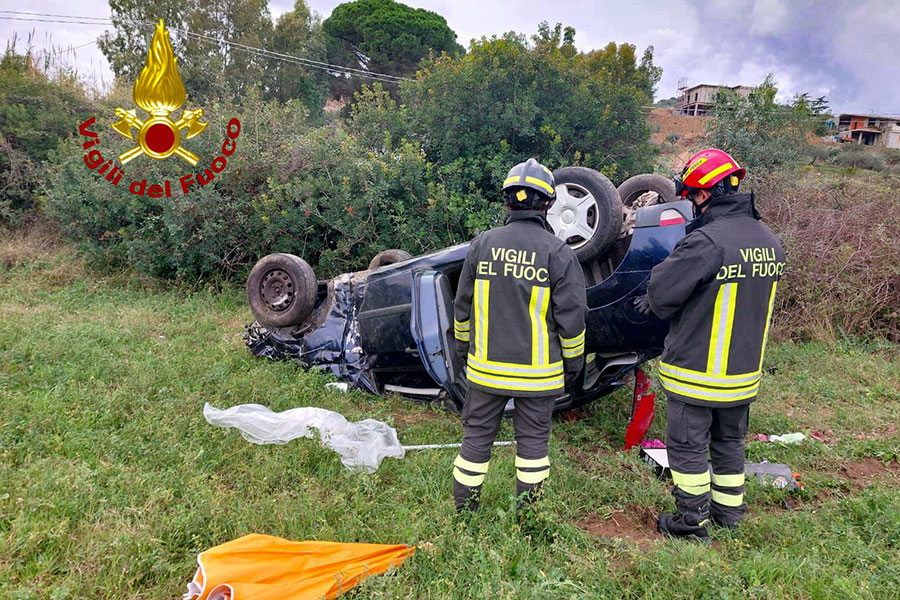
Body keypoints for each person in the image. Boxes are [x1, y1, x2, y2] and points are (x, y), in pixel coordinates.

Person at [635, 148, 785, 540]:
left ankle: (690, 521)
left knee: (687, 448)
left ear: (703, 194)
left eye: (690, 197)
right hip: (742, 375)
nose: (690, 205)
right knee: (729, 443)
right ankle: (728, 514)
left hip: (697, 372)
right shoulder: (769, 241)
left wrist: (653, 297)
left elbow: (662, 293)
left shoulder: (706, 242)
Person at [451, 158, 587, 514]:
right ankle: (528, 518)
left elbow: (462, 306)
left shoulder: (482, 245)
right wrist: (573, 365)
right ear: (548, 203)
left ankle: (464, 515)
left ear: (508, 201)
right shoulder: (558, 252)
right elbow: (573, 319)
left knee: (476, 440)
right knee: (533, 447)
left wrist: (464, 350)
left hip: (486, 370)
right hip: (538, 376)